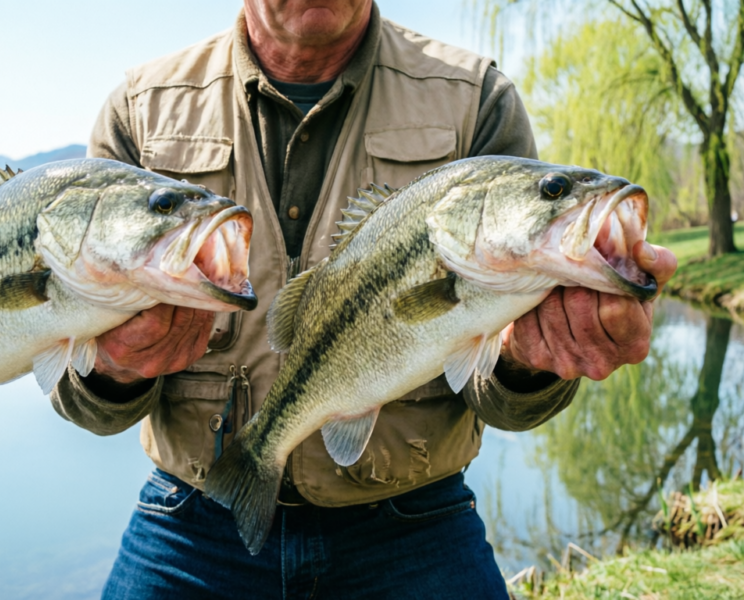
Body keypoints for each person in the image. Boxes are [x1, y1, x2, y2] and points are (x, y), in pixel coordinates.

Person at [51, 1, 678, 597]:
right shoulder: (139, 110)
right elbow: (87, 405)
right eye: (553, 194)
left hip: (414, 519)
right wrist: (114, 368)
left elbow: (504, 401)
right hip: (194, 511)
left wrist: (530, 360)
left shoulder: (477, 98)